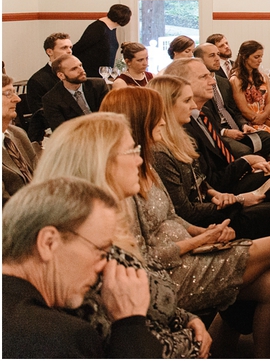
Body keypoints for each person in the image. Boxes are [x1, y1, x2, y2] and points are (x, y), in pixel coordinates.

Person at [100, 89, 270, 358]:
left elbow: (173, 216)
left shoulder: (144, 164)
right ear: (139, 120)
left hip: (189, 249)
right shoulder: (122, 182)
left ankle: (266, 353)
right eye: (157, 115)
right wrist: (198, 241)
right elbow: (143, 258)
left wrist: (207, 232)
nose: (163, 120)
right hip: (170, 272)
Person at [32, 115, 213, 358]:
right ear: (99, 163)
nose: (140, 159)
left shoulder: (110, 224)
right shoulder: (84, 249)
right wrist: (190, 338)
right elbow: (127, 342)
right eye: (131, 151)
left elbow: (152, 298)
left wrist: (188, 319)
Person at [2, 177, 163, 358]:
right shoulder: (60, 338)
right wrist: (131, 325)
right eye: (100, 251)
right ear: (48, 243)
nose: (104, 266)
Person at [149, 75, 270, 240]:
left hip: (217, 204)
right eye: (187, 101)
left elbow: (200, 182)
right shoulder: (160, 151)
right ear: (167, 106)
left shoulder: (182, 138)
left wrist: (217, 195)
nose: (193, 106)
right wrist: (237, 200)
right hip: (208, 221)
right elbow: (185, 212)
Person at [164, 58, 270, 205]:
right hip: (223, 192)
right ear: (182, 83)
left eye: (210, 75)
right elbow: (211, 181)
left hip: (234, 178)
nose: (213, 81)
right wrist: (246, 162)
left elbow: (224, 157)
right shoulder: (183, 126)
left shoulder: (205, 114)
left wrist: (251, 166)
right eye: (204, 77)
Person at [42, 54, 108, 131]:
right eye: (74, 69)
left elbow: (109, 114)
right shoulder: (51, 99)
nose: (81, 70)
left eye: (80, 65)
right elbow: (60, 130)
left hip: (104, 132)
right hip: (77, 138)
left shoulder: (98, 85)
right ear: (61, 75)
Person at [229, 40, 270, 129]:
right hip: (251, 120)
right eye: (256, 57)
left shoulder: (263, 77)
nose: (260, 60)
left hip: (267, 117)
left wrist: (265, 117)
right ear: (245, 57)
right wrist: (261, 120)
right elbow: (243, 110)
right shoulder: (236, 79)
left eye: (261, 56)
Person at [3, 74, 38, 203]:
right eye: (8, 94)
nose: (17, 99)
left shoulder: (18, 133)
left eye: (14, 93)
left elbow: (39, 175)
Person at [73, 4, 132, 77]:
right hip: (92, 74)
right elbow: (80, 47)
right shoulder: (98, 28)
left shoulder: (112, 28)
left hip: (103, 74)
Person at [25, 31, 73, 115]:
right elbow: (40, 113)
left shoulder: (75, 73)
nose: (69, 51)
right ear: (49, 52)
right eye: (64, 48)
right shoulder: (37, 81)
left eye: (70, 47)